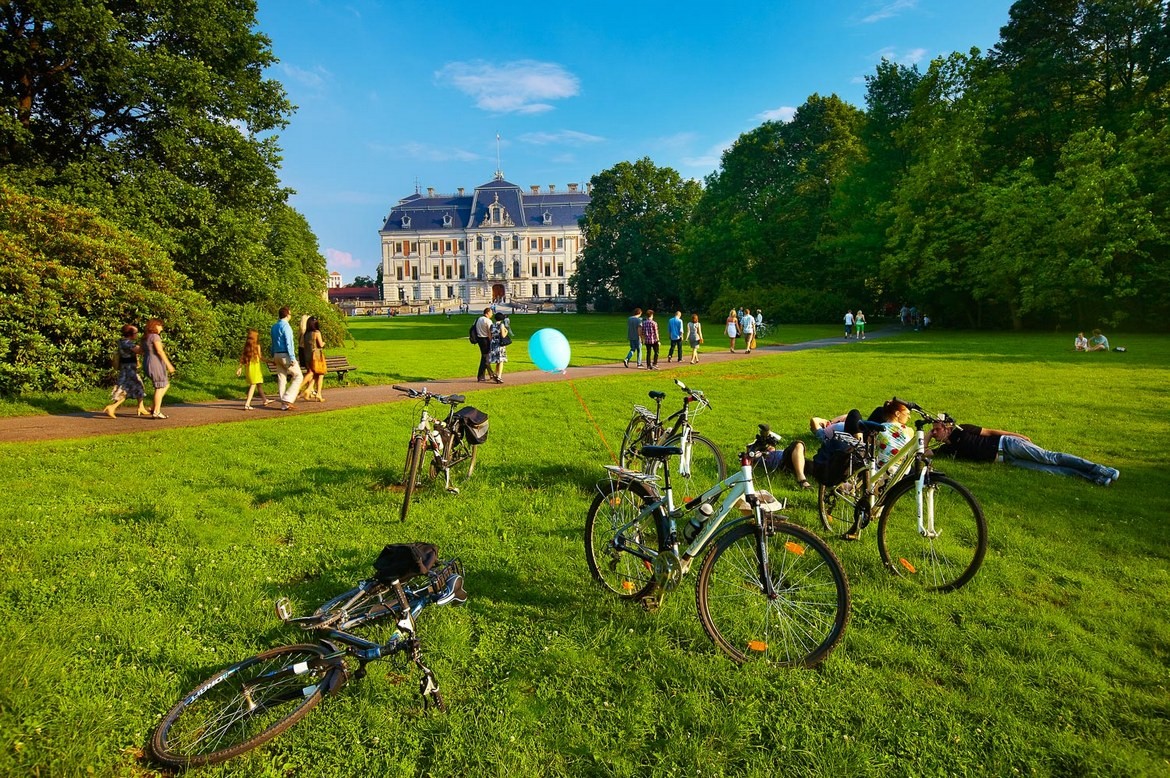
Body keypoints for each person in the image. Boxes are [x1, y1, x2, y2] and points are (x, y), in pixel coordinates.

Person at [928, 419, 1119, 486]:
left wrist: (1017, 435)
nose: (935, 432)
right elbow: (925, 453)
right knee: (1052, 471)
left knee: (1050, 458)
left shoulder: (963, 429)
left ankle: (1101, 470)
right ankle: (1094, 478)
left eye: (937, 429)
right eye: (933, 430)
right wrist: (928, 434)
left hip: (1008, 445)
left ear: (947, 427)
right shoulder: (947, 449)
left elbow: (991, 432)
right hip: (1005, 460)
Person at [101, 324, 148, 418]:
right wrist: (146, 341)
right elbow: (139, 351)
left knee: (139, 387)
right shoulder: (127, 343)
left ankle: (141, 407)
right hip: (128, 370)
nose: (137, 334)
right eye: (136, 333)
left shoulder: (123, 341)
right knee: (124, 391)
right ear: (130, 334)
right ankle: (112, 407)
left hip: (129, 368)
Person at [747, 425, 814, 490]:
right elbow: (750, 456)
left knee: (818, 467)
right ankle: (801, 479)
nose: (770, 446)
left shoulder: (778, 451)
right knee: (798, 444)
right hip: (784, 462)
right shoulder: (761, 456)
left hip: (798, 462)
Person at [270, 306, 304, 410]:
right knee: (298, 376)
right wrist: (292, 358)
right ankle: (288, 398)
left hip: (276, 354)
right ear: (287, 315)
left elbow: (273, 342)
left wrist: (273, 356)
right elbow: (289, 343)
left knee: (282, 378)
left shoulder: (274, 327)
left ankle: (284, 405)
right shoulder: (286, 326)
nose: (291, 316)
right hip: (285, 355)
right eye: (290, 314)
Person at [141, 318, 176, 419]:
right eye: (160, 325)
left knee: (165, 385)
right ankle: (156, 411)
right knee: (160, 387)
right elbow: (160, 351)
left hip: (147, 362)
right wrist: (169, 364)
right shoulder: (155, 337)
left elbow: (140, 350)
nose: (161, 328)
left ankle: (154, 407)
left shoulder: (145, 337)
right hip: (155, 363)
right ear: (155, 326)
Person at [235, 329, 272, 410]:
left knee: (258, 384)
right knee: (253, 385)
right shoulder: (257, 346)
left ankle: (264, 400)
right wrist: (270, 361)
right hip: (255, 369)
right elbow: (261, 357)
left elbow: (243, 358)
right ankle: (247, 404)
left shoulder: (247, 347)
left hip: (249, 369)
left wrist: (240, 368)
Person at [298, 316, 327, 402]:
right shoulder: (316, 333)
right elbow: (321, 344)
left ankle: (310, 391)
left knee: (315, 374)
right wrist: (324, 343)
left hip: (307, 356)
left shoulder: (306, 334)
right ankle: (317, 393)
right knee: (320, 374)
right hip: (316, 356)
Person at [475, 307, 494, 382]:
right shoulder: (488, 321)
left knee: (485, 357)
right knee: (485, 358)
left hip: (479, 339)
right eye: (491, 312)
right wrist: (491, 340)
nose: (492, 314)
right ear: (488, 313)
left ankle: (489, 374)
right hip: (486, 339)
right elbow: (490, 332)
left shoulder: (479, 319)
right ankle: (482, 376)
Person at [489, 312, 509, 383]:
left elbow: (490, 336)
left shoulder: (492, 325)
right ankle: (499, 376)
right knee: (501, 360)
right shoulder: (501, 325)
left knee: (497, 360)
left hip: (493, 343)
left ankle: (496, 374)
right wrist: (506, 331)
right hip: (499, 344)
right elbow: (503, 335)